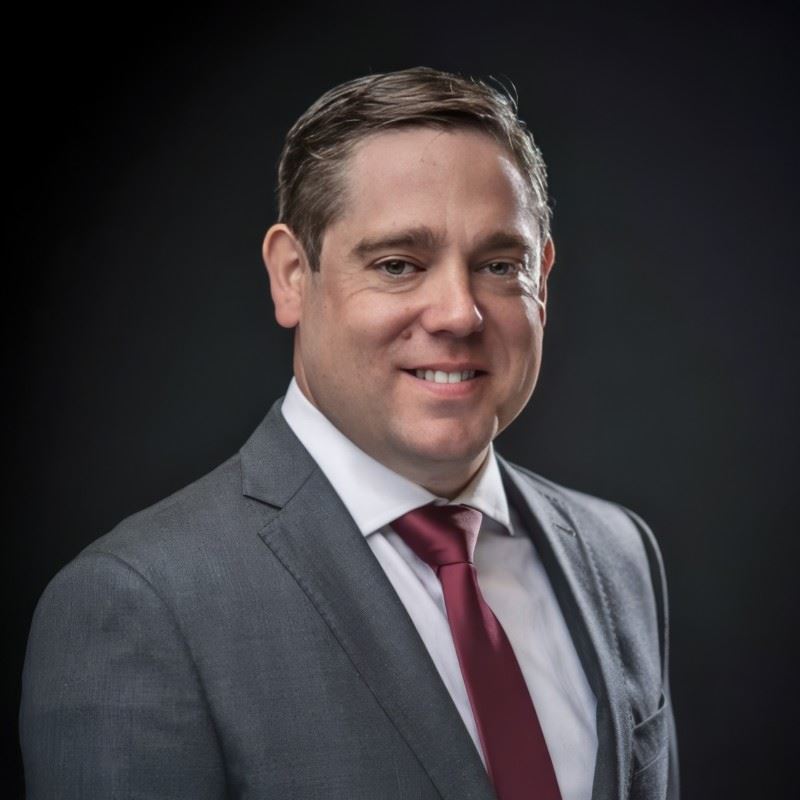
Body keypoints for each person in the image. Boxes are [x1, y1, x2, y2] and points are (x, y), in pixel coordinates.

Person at [20, 67, 678, 800]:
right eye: (398, 265)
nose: (459, 313)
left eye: (499, 265)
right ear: (291, 276)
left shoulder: (620, 555)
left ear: (542, 282)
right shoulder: (139, 607)